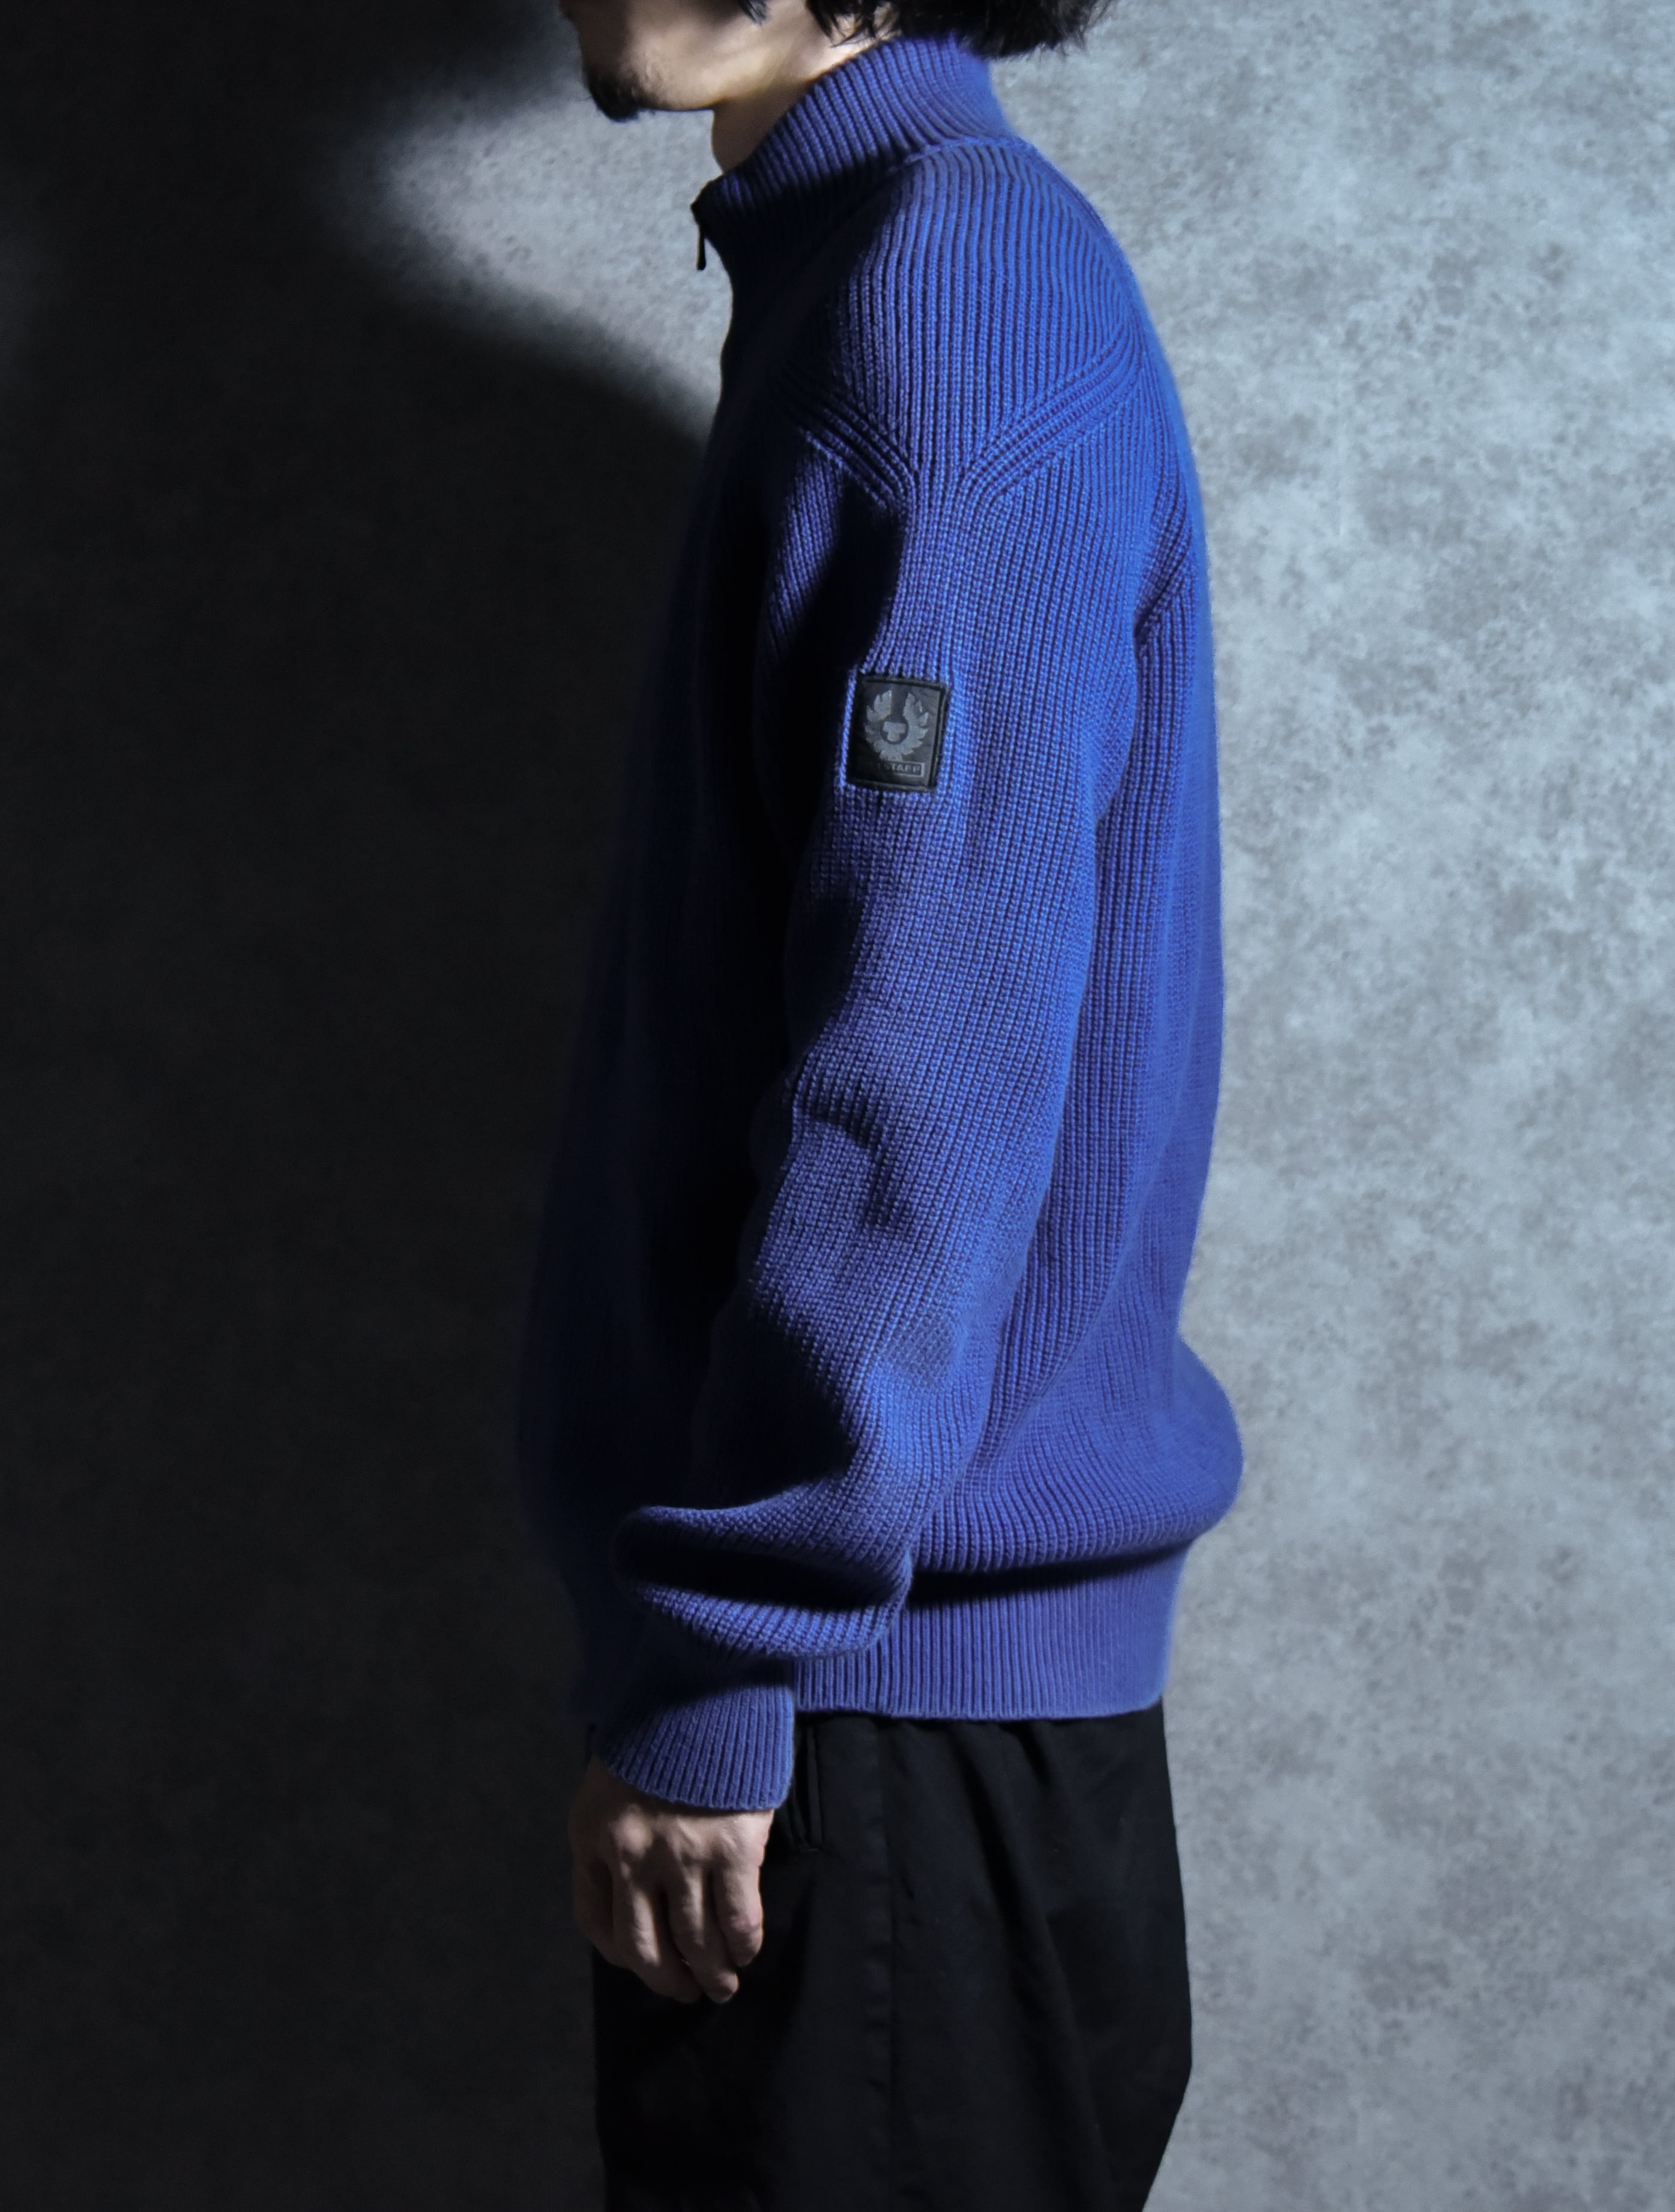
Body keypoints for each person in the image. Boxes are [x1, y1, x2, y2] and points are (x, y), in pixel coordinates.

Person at [515, 0, 1242, 2199]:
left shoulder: (951, 297)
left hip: (876, 1712)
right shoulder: (862, 259)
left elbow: (919, 1064)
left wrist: (734, 1649)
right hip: (876, 1705)